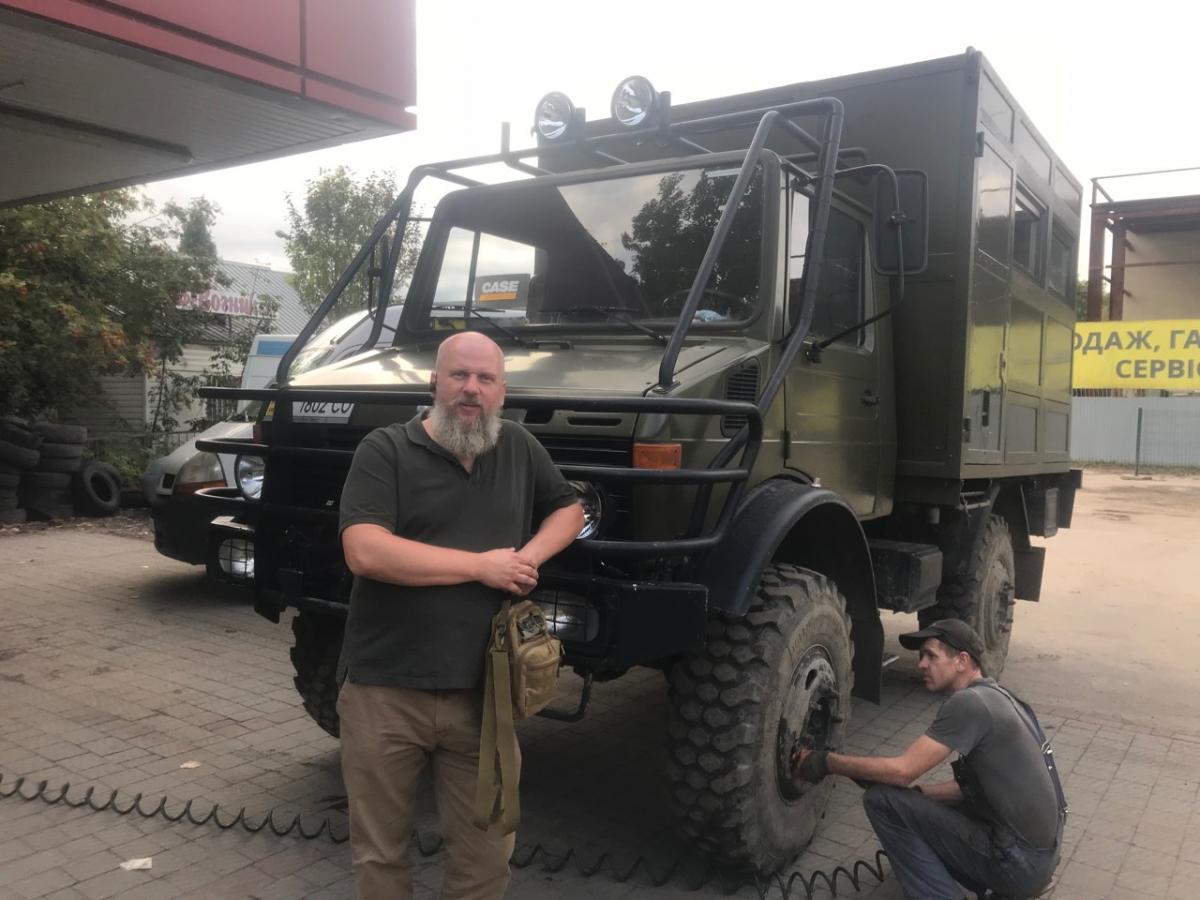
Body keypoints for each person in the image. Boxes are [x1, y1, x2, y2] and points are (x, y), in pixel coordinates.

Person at [336, 331, 584, 900]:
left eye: (485, 379)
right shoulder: (385, 450)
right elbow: (365, 551)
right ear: (435, 383)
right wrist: (481, 567)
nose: (471, 389)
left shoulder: (518, 446)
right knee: (380, 857)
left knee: (486, 860)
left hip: (485, 699)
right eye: (459, 376)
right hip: (384, 693)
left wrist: (527, 559)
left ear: (502, 392)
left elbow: (569, 510)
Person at [791, 619, 1063, 900]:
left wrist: (825, 763)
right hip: (1041, 859)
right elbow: (974, 789)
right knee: (912, 805)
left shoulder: (969, 704)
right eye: (921, 656)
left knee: (882, 802)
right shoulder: (1000, 697)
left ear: (962, 661)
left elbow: (902, 771)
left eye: (931, 656)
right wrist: (919, 796)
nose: (921, 664)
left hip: (1019, 864)